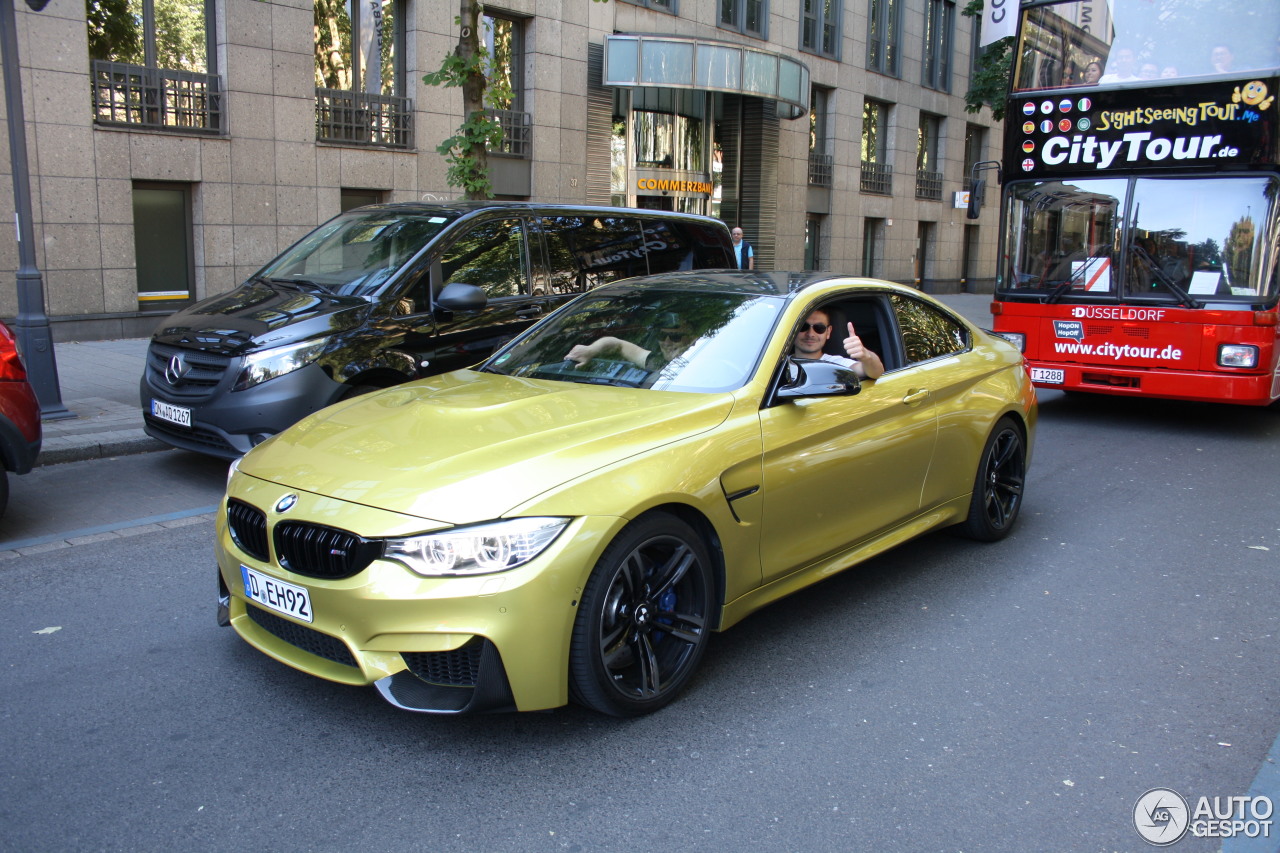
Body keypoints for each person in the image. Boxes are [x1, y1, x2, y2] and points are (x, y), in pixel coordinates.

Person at [565, 316, 693, 372]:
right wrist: (591, 350)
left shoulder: (709, 367)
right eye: (661, 336)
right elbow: (617, 344)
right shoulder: (655, 361)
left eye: (676, 337)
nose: (667, 342)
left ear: (693, 339)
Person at [791, 308, 884, 380]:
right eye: (803, 327)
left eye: (819, 328)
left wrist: (866, 356)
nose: (810, 334)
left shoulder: (836, 364)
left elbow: (876, 372)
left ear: (828, 332)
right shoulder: (778, 363)